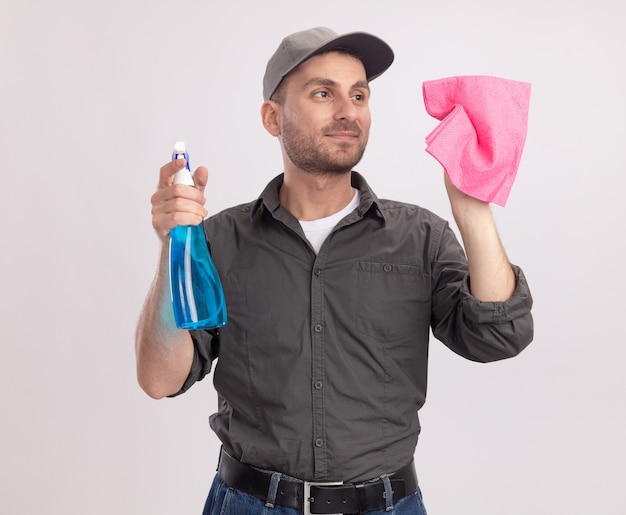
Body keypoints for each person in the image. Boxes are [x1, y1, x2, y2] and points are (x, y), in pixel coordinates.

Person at [135, 26, 534, 515]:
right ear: (272, 117)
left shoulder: (421, 238)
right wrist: (173, 249)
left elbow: (500, 337)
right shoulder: (219, 240)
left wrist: (472, 210)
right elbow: (160, 379)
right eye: (323, 93)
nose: (348, 111)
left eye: (359, 95)